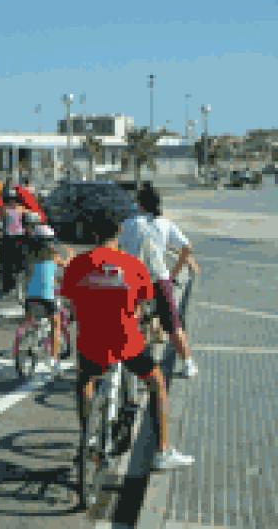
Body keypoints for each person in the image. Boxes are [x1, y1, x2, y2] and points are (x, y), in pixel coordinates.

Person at [60, 209, 194, 471]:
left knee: (85, 380)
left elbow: (71, 303)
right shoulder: (132, 265)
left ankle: (87, 437)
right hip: (125, 342)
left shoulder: (77, 265)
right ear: (119, 232)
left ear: (93, 234)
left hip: (90, 341)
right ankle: (162, 451)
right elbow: (143, 304)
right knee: (156, 382)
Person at [118, 184, 199, 378]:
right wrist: (174, 272)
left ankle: (127, 361)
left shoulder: (129, 224)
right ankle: (188, 363)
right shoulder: (164, 223)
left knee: (128, 319)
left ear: (140, 204)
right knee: (172, 324)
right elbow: (187, 247)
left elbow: (117, 247)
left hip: (134, 279)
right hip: (159, 278)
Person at [24, 224, 73, 377]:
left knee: (31, 319)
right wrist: (70, 254)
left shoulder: (30, 256)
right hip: (47, 297)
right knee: (55, 324)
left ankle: (30, 339)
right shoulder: (53, 255)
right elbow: (67, 265)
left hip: (30, 297)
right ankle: (54, 359)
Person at [0, 191, 27, 295]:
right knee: (7, 263)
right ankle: (8, 285)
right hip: (8, 237)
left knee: (19, 262)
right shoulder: (5, 209)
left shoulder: (21, 209)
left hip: (19, 237)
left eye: (14, 200)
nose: (12, 202)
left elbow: (28, 216)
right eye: (10, 200)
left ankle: (18, 283)